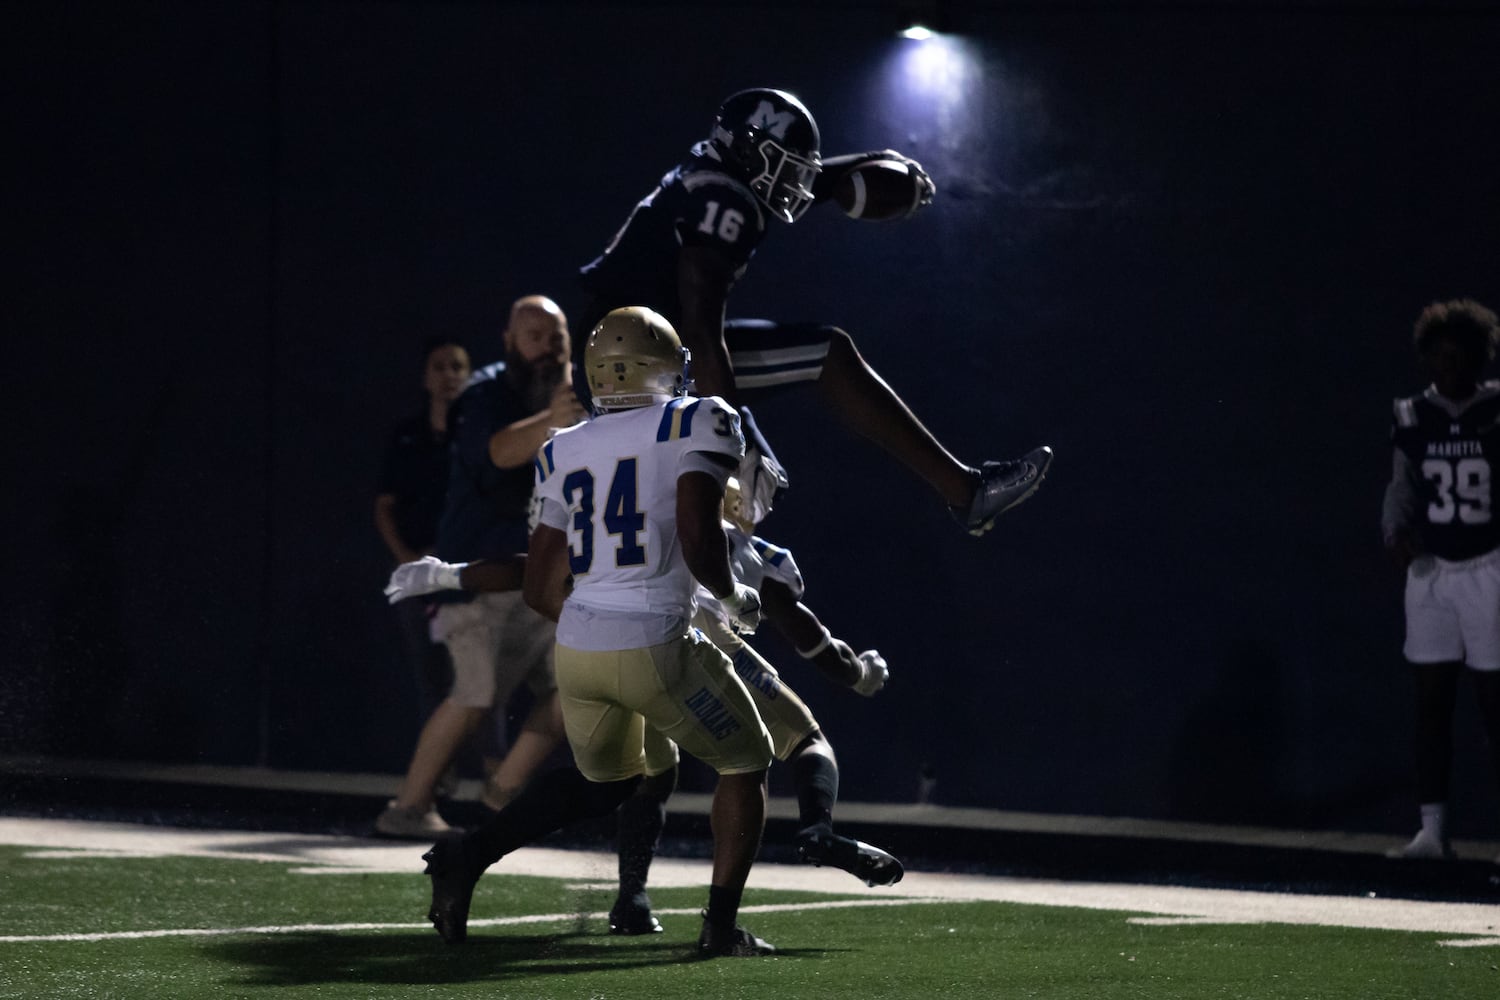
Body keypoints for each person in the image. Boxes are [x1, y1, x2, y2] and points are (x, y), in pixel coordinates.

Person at [388, 474, 905, 936]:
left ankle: (624, 895)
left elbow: (532, 570)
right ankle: (794, 852)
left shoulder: (630, 515)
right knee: (781, 748)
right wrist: (858, 674)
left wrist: (448, 575)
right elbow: (812, 640)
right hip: (685, 645)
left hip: (599, 647)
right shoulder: (739, 541)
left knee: (635, 777)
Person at [419, 306, 778, 958]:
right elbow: (700, 533)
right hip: (654, 640)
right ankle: (720, 930)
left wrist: (599, 620)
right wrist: (732, 597)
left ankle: (466, 855)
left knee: (606, 783)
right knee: (747, 761)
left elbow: (537, 587)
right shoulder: (699, 418)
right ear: (667, 365)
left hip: (578, 645)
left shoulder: (564, 445)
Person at [577, 87, 1053, 537]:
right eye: (785, 167)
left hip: (633, 349)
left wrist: (874, 160)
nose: (795, 183)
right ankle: (967, 493)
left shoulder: (717, 172)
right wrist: (730, 433)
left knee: (816, 371)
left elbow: (812, 180)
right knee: (824, 359)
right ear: (749, 152)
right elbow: (702, 330)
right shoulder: (723, 203)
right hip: (632, 367)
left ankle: (966, 492)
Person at [375, 295, 585, 840]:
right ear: (510, 341)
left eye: (557, 332)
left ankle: (499, 797)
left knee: (585, 684)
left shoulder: (588, 390)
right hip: (483, 571)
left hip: (546, 576)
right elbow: (494, 455)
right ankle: (409, 806)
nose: (550, 343)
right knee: (472, 693)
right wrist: (553, 421)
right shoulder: (488, 392)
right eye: (535, 334)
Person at [1382, 297, 1500, 860]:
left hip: (1489, 566)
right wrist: (1395, 532)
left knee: (1494, 703)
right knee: (1431, 703)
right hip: (1432, 573)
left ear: (1479, 360)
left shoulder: (1497, 407)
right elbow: (1402, 485)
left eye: (1461, 359)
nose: (1450, 371)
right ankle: (1432, 831)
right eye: (1441, 359)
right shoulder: (1411, 414)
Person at [374, 336, 470, 734]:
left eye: (457, 367)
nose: (448, 376)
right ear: (425, 377)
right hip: (415, 572)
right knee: (428, 676)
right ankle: (436, 781)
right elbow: (384, 506)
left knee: (474, 679)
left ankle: (492, 778)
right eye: (439, 367)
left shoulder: (478, 436)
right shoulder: (406, 435)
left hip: (468, 575)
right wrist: (408, 560)